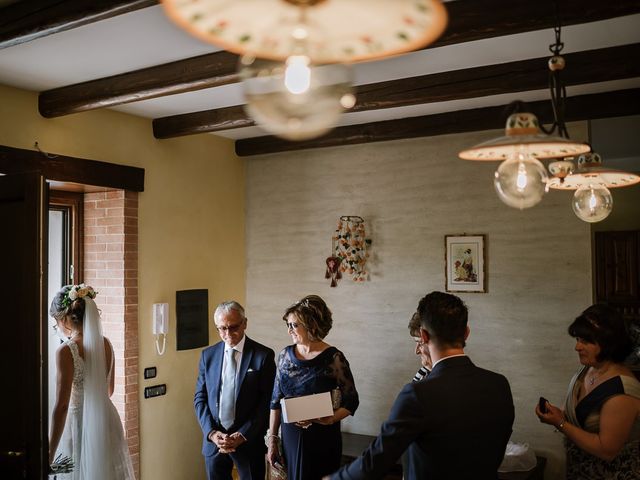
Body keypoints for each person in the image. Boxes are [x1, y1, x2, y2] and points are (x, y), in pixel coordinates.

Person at [328, 291, 514, 480]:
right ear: (466, 332)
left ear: (423, 335)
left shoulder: (418, 394)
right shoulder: (499, 385)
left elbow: (376, 460)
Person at [535, 304, 640, 479]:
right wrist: (557, 414)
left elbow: (607, 451)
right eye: (577, 340)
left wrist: (560, 423)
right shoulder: (587, 370)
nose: (577, 347)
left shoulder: (622, 392)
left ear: (609, 342)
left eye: (585, 341)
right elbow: (575, 414)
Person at [267, 295, 359, 480]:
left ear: (311, 326)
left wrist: (330, 419)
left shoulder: (334, 358)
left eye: (294, 325)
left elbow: (352, 401)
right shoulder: (284, 355)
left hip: (322, 437)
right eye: (288, 325)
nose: (289, 331)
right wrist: (272, 441)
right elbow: (275, 401)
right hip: (291, 437)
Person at [48, 284, 135, 480]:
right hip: (106, 421)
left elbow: (61, 406)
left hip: (78, 424)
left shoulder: (66, 351)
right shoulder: (105, 344)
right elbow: (109, 390)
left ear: (64, 319)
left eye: (56, 323)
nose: (58, 328)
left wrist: (49, 453)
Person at [194, 301, 276, 480]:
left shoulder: (263, 356)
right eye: (222, 328)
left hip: (248, 442)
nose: (228, 333)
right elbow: (200, 398)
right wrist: (212, 433)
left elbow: (267, 402)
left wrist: (243, 434)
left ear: (245, 323)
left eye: (233, 327)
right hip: (215, 442)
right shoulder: (208, 356)